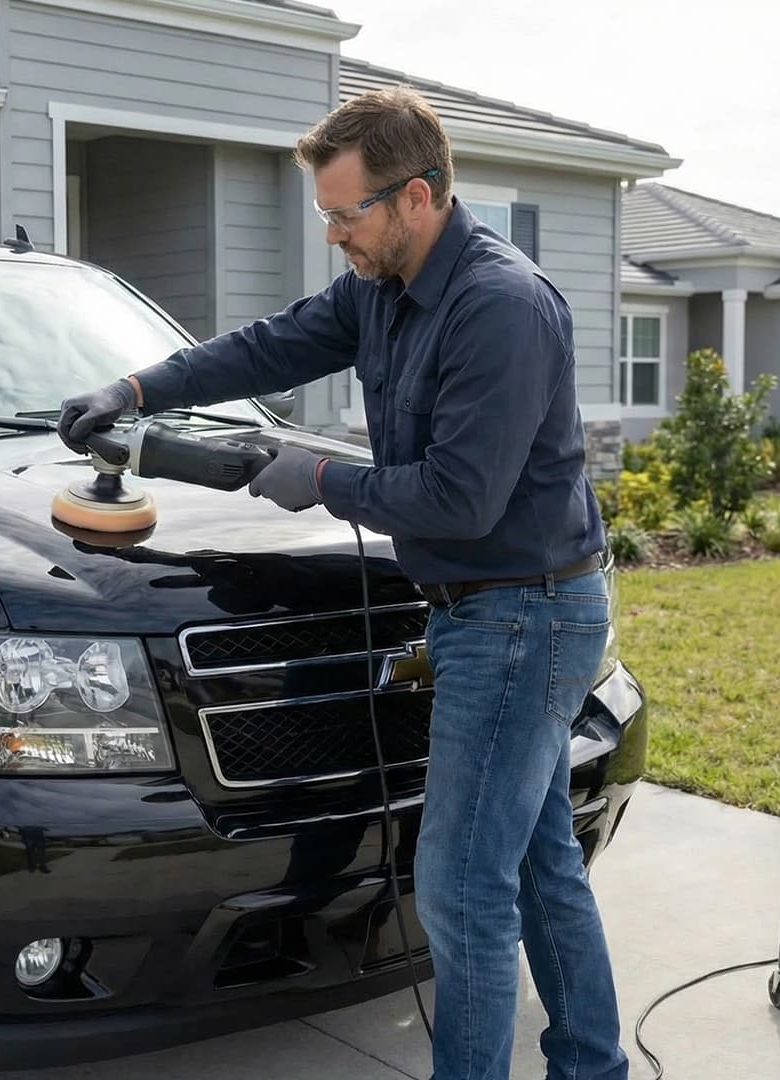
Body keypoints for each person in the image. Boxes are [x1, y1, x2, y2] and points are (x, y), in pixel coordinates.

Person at [57, 85, 626, 1080]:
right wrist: (138, 387)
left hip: (524, 615)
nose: (333, 235)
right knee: (536, 867)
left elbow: (459, 500)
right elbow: (270, 345)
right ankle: (591, 1067)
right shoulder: (379, 288)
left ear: (417, 198)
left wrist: (314, 479)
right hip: (484, 612)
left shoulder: (499, 306)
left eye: (344, 213)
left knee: (457, 889)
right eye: (326, 213)